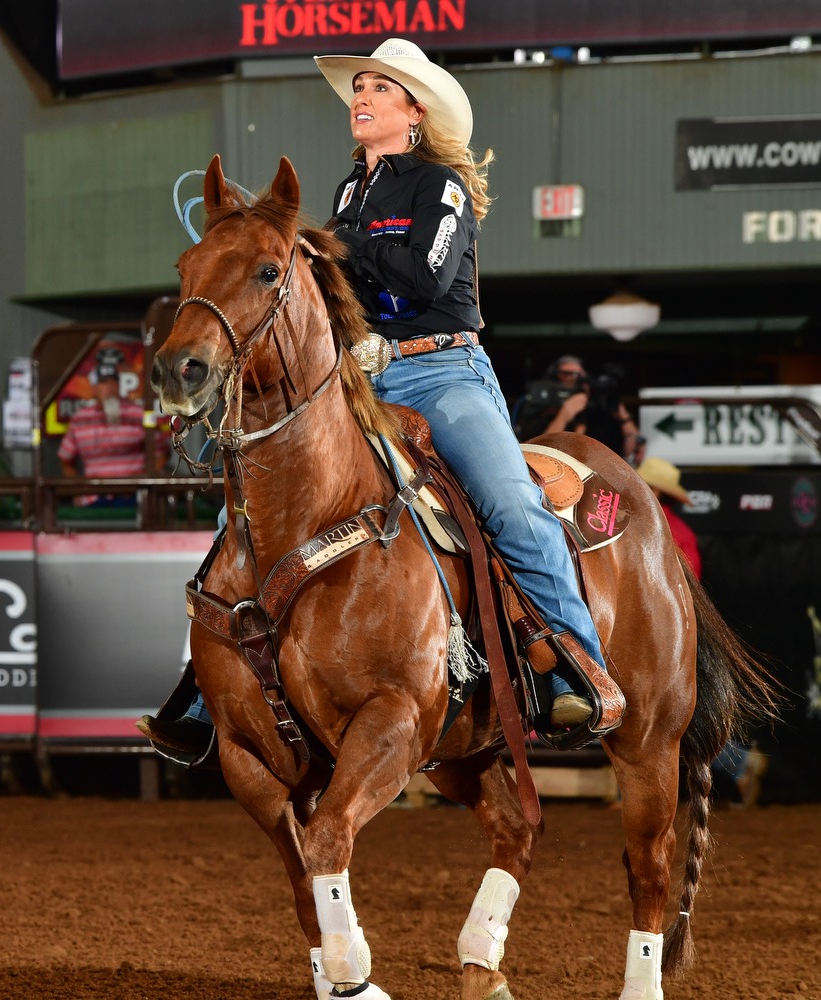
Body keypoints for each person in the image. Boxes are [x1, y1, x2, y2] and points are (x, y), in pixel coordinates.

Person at [142, 38, 622, 757]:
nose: (361, 98)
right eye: (359, 87)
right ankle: (211, 690)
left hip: (444, 373)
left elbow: (425, 282)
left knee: (509, 500)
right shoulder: (346, 194)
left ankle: (581, 671)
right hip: (360, 377)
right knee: (245, 507)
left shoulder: (441, 185)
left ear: (414, 112)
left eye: (379, 89)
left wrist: (331, 244)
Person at [637, 455, 767, 805]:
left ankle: (737, 761)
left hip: (660, 634)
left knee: (661, 712)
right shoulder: (674, 529)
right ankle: (738, 762)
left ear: (655, 492)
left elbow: (684, 586)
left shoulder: (657, 528)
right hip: (661, 630)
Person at [57, 348, 164, 506]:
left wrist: (143, 483)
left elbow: (161, 451)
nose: (109, 387)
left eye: (113, 381)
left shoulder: (138, 414)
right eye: (103, 382)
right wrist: (78, 490)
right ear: (94, 388)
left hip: (133, 497)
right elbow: (65, 459)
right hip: (93, 498)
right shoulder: (80, 419)